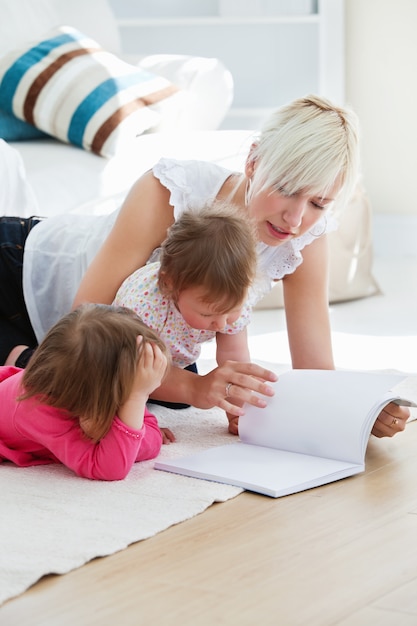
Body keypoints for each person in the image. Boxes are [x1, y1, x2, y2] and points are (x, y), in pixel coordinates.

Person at [0, 95, 409, 437]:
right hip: (25, 271)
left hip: (134, 334)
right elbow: (85, 321)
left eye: (319, 203)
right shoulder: (171, 191)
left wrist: (359, 415)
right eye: (287, 190)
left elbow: (315, 369)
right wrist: (195, 388)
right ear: (253, 161)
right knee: (145, 379)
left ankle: (24, 361)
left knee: (159, 385)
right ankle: (26, 359)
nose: (296, 219)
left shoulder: (304, 239)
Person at [114, 202, 257, 431]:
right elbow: (128, 371)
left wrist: (238, 413)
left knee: (183, 400)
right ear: (170, 285)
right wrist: (140, 420)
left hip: (172, 351)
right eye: (207, 313)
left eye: (231, 311)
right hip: (123, 356)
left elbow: (234, 360)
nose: (221, 323)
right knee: (114, 390)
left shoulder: (232, 296)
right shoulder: (144, 306)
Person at [0, 303, 173, 480]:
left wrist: (131, 414)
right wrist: (136, 399)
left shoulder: (85, 387)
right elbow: (109, 468)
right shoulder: (38, 410)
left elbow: (152, 442)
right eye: (136, 388)